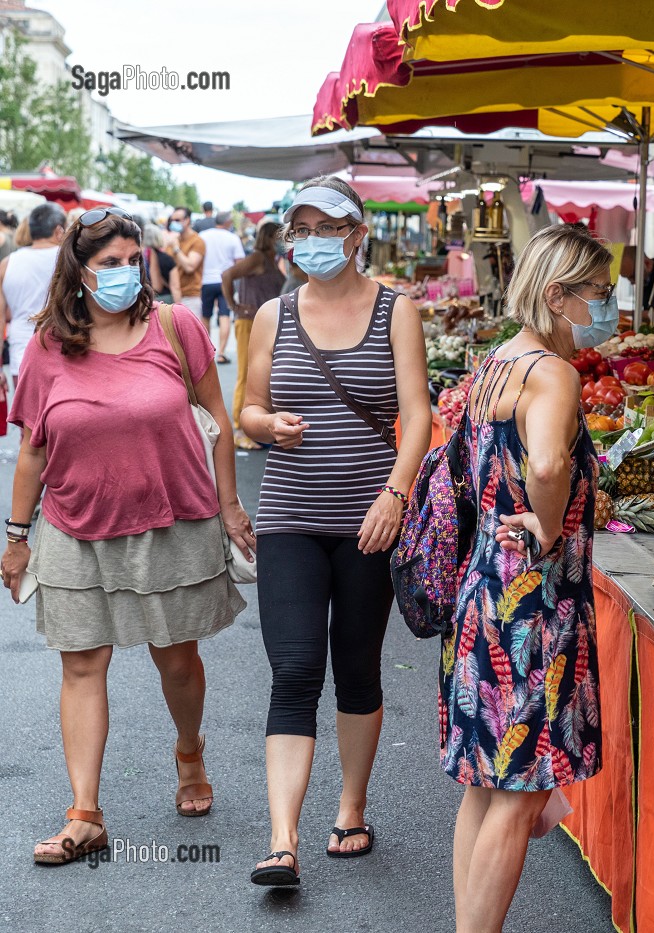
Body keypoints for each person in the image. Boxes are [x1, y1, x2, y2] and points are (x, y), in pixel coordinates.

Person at [1, 206, 253, 865]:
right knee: (83, 663)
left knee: (176, 660)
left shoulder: (176, 326)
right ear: (77, 271)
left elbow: (220, 423)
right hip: (74, 528)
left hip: (173, 524)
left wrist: (230, 507)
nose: (123, 273)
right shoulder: (49, 346)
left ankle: (189, 749)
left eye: (131, 260)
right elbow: (32, 451)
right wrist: (16, 535)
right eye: (107, 264)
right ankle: (85, 812)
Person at [241, 177, 430, 887]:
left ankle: (350, 809)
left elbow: (419, 412)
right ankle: (282, 840)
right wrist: (266, 426)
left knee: (356, 668)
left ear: (356, 234)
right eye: (302, 227)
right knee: (292, 669)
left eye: (327, 226)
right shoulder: (274, 315)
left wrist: (394, 494)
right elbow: (248, 411)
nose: (312, 239)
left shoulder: (395, 310)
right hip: (289, 515)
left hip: (368, 522)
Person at [442, 223, 606, 932]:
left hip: (484, 587)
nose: (606, 304)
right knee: (515, 795)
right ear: (556, 293)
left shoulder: (497, 364)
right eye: (597, 293)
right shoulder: (552, 372)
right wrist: (549, 526)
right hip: (534, 602)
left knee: (484, 786)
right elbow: (545, 464)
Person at [222, 221, 283, 449]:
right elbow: (227, 275)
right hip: (249, 322)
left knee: (260, 375)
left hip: (262, 323)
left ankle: (252, 427)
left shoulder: (269, 259)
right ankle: (240, 428)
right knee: (247, 373)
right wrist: (234, 306)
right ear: (270, 238)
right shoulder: (257, 258)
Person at [0, 202, 66, 376]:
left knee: (24, 404)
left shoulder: (7, 264)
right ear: (59, 231)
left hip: (20, 354)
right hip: (64, 354)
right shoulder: (68, 259)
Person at [200, 211, 245, 363]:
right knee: (224, 315)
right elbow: (240, 263)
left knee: (206, 315)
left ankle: (206, 352)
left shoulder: (203, 236)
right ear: (227, 222)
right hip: (225, 281)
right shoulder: (233, 238)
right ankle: (222, 352)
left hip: (205, 281)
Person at [167, 206, 205, 313]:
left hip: (190, 297)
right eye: (172, 220)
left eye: (177, 220)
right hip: (173, 295)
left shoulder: (197, 241)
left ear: (187, 220)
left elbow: (190, 267)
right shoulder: (174, 240)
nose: (173, 223)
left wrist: (176, 249)